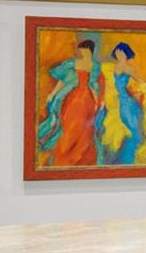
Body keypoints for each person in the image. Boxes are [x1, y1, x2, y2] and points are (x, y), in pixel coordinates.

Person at [35, 39, 101, 167]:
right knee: (69, 126)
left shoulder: (94, 66)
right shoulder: (74, 63)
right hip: (74, 99)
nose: (81, 52)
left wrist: (97, 101)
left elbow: (93, 85)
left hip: (87, 100)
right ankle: (65, 155)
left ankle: (80, 157)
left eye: (83, 50)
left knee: (84, 129)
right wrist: (52, 94)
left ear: (88, 50)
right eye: (80, 50)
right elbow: (64, 81)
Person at [97, 41, 146, 166]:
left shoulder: (126, 68)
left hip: (127, 102)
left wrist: (143, 92)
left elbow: (142, 82)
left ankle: (130, 159)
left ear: (125, 54)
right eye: (117, 52)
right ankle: (122, 159)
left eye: (121, 52)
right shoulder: (111, 67)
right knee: (122, 132)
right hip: (116, 101)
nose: (118, 54)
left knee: (133, 131)